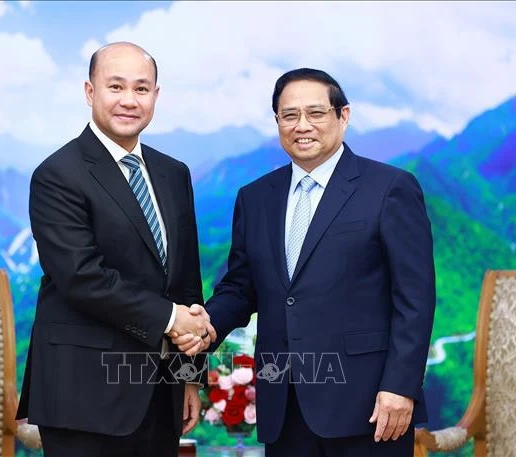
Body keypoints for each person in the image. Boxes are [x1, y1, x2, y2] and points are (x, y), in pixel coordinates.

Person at [173, 68, 436, 456]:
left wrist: (400, 386)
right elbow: (240, 287)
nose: (302, 126)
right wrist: (205, 328)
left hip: (371, 406)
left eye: (316, 113)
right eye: (289, 115)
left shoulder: (390, 188)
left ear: (342, 116)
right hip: (283, 405)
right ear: (277, 121)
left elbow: (415, 298)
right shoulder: (256, 197)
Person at [16, 42, 215, 457]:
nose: (129, 100)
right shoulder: (57, 175)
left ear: (156, 97)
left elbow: (185, 283)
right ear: (90, 92)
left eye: (141, 89)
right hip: (83, 395)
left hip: (160, 395)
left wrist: (189, 376)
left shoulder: (173, 174)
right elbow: (81, 278)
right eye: (116, 86)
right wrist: (172, 317)